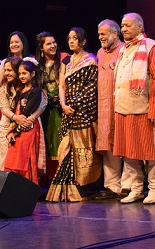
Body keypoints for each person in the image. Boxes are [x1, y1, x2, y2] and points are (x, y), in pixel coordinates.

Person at [113, 14, 155, 205]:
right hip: (123, 108)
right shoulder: (123, 50)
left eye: (127, 25)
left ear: (139, 26)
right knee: (129, 153)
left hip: (143, 109)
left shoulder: (151, 46)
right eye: (122, 25)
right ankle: (136, 189)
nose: (124, 29)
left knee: (150, 152)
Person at [46, 27, 102, 202]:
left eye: (75, 38)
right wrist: (63, 104)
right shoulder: (67, 62)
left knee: (84, 149)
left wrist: (75, 105)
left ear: (83, 41)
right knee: (66, 150)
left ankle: (85, 188)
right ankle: (68, 190)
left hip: (83, 112)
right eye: (69, 38)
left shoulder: (91, 60)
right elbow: (61, 86)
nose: (71, 41)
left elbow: (90, 88)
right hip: (68, 112)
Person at [95, 19, 133, 200]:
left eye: (103, 34)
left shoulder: (124, 50)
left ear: (114, 33)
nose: (100, 37)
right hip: (103, 107)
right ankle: (112, 186)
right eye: (99, 34)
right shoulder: (99, 53)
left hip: (120, 104)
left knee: (123, 144)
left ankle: (127, 185)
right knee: (107, 145)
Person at [4, 58, 46, 184]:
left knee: (26, 157)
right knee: (15, 157)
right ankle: (15, 187)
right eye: (20, 73)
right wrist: (13, 130)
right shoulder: (20, 91)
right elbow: (16, 110)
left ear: (32, 74)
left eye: (24, 73)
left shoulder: (36, 91)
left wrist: (17, 128)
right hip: (19, 128)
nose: (21, 76)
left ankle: (27, 188)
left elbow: (27, 111)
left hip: (28, 128)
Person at [35, 31, 69, 186]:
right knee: (47, 143)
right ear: (41, 47)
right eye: (48, 43)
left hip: (60, 108)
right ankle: (48, 182)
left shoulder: (64, 59)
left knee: (60, 142)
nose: (53, 45)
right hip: (45, 111)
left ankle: (62, 179)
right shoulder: (37, 66)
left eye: (54, 42)